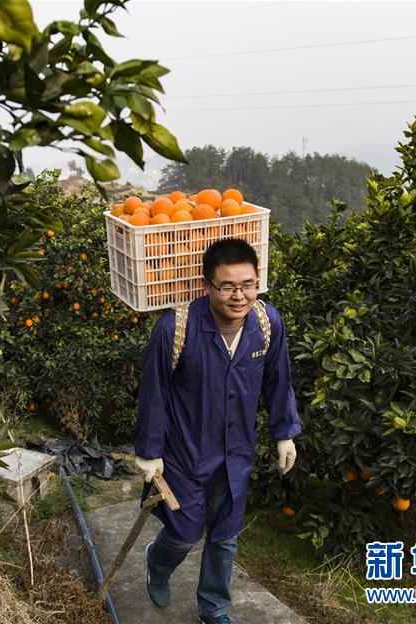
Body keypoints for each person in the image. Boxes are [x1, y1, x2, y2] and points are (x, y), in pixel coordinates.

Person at [133, 238, 301, 624]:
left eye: (248, 284)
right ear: (207, 285)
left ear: (258, 281)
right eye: (227, 286)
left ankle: (214, 608)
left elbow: (279, 381)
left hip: (236, 451)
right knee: (184, 532)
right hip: (184, 450)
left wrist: (284, 433)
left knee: (225, 535)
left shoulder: (266, 323)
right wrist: (149, 450)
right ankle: (157, 564)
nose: (238, 296)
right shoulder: (176, 328)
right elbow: (154, 391)